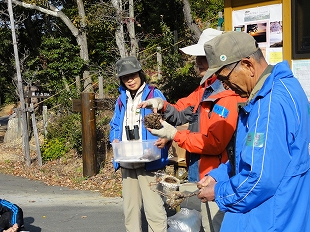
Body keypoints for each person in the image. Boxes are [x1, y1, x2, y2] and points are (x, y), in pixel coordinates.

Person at [196, 31, 310, 232]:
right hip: (285, 213)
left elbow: (259, 180)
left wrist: (219, 192)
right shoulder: (282, 86)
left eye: (225, 78)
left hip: (269, 220)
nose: (226, 87)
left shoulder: (269, 105)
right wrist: (219, 174)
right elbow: (254, 157)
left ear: (248, 65)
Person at [138, 28, 245, 232]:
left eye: (203, 57)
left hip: (215, 176)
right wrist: (162, 105)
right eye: (197, 57)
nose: (198, 62)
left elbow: (214, 144)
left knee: (214, 224)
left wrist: (175, 135)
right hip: (198, 172)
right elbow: (181, 110)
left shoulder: (227, 97)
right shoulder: (204, 89)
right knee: (201, 224)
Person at [109, 56, 169, 232]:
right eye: (125, 77)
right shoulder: (121, 100)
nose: (130, 80)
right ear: (121, 79)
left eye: (133, 75)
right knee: (130, 210)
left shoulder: (154, 94)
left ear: (140, 74)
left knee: (154, 210)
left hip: (150, 159)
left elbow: (169, 121)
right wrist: (114, 138)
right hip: (127, 158)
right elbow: (114, 125)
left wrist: (165, 139)